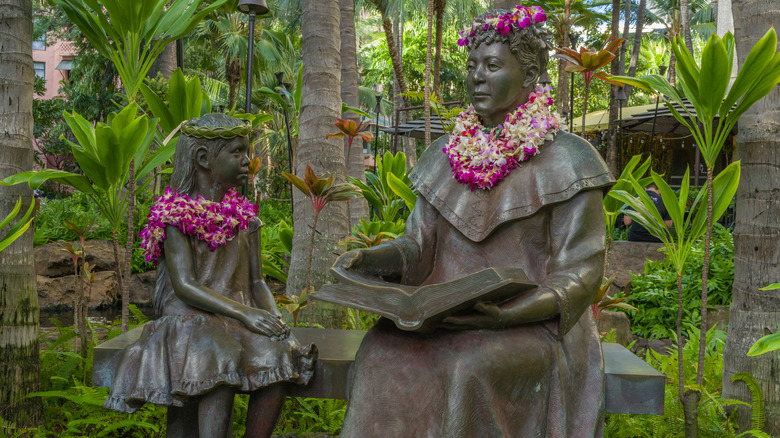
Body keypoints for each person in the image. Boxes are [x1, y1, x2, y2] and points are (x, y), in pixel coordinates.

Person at [332, 7, 613, 437]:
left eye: (493, 65)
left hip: (532, 328)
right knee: (379, 352)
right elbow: (416, 247)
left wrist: (506, 316)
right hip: (444, 319)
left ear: (531, 73)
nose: (477, 76)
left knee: (468, 365)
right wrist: (368, 258)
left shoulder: (569, 160)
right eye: (471, 66)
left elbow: (581, 273)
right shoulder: (445, 154)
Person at [104, 114, 316, 438]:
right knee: (219, 358)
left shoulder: (246, 219)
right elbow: (185, 285)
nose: (248, 160)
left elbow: (257, 282)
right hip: (190, 317)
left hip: (234, 316)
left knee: (279, 354)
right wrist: (245, 313)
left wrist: (274, 319)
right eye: (237, 152)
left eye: (247, 151)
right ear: (204, 159)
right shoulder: (176, 217)